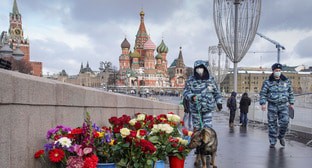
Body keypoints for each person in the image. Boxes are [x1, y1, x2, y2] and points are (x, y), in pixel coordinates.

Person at [259, 63, 295, 148]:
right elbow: (263, 93)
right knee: (272, 124)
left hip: (283, 106)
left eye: (279, 71)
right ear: (273, 71)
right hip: (272, 105)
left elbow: (291, 92)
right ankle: (272, 141)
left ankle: (281, 136)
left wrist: (291, 103)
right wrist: (263, 103)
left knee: (285, 122)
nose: (278, 72)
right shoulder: (268, 82)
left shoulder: (286, 81)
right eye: (276, 70)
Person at [183, 60, 223, 130]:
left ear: (205, 68)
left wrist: (219, 102)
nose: (199, 69)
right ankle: (197, 141)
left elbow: (217, 93)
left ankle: (207, 141)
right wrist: (191, 96)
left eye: (201, 68)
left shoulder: (211, 80)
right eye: (197, 68)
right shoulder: (191, 80)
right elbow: (186, 92)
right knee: (197, 129)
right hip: (196, 109)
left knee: (207, 128)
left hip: (208, 108)